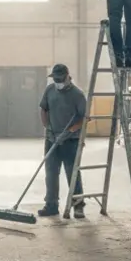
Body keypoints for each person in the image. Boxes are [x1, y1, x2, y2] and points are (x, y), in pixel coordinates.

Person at [38, 63, 87, 219]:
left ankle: (78, 206)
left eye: (60, 78)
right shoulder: (49, 90)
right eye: (55, 78)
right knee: (51, 173)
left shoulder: (77, 95)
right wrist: (47, 127)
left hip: (70, 140)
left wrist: (70, 130)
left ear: (67, 76)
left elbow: (84, 119)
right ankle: (51, 205)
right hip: (51, 138)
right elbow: (43, 109)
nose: (57, 81)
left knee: (72, 173)